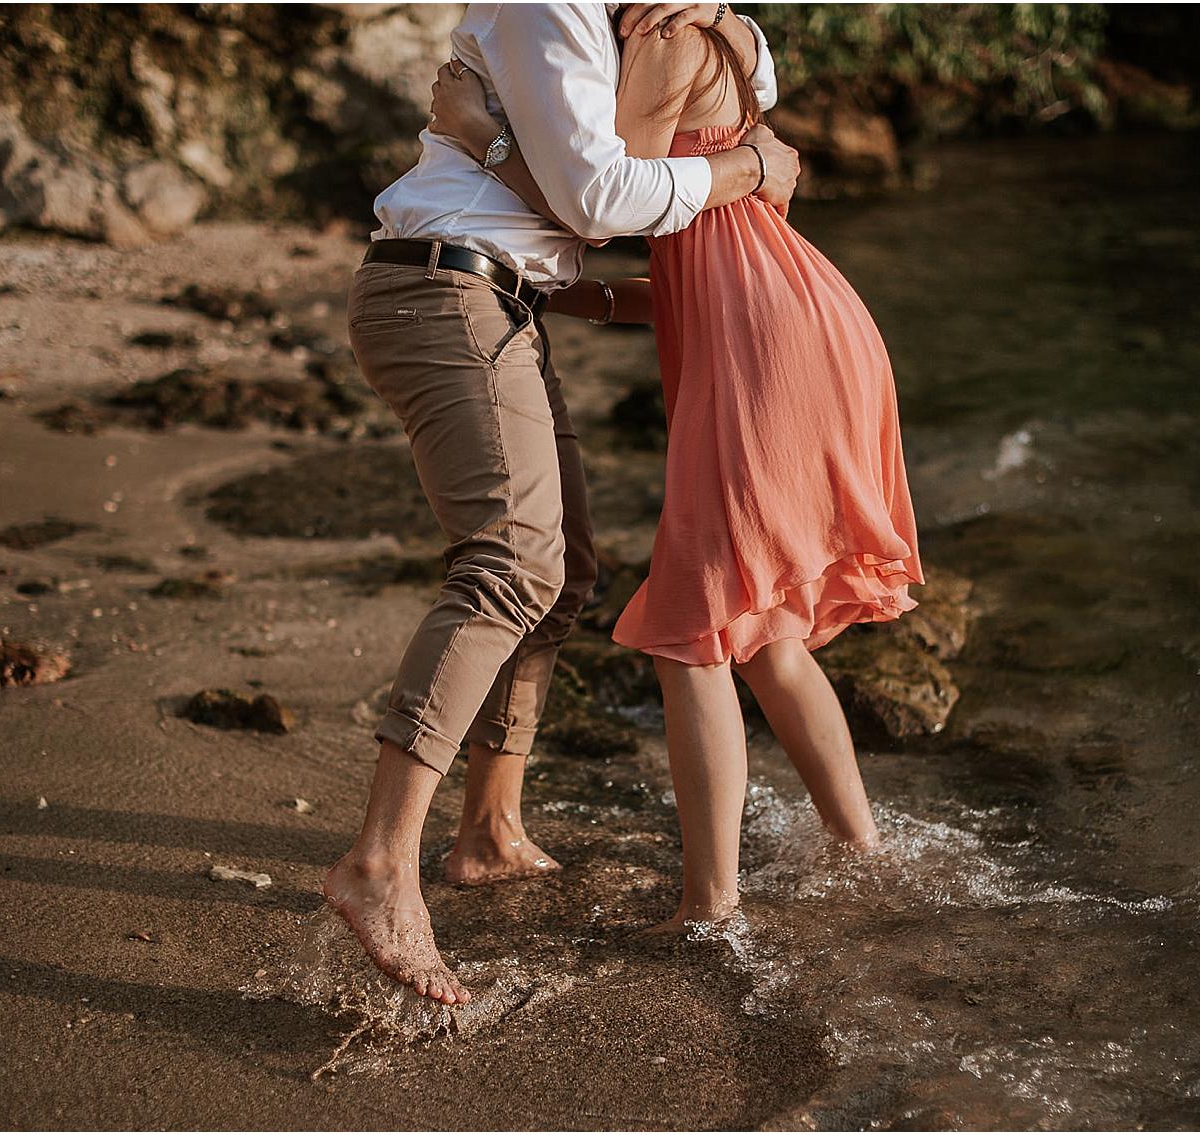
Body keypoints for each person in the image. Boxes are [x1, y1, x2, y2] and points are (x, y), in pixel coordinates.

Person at [326, 2, 802, 1006]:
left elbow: (754, 80)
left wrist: (728, 22)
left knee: (561, 572)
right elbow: (597, 196)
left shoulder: (639, 19)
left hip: (495, 297)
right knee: (512, 567)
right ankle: (377, 861)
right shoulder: (547, 3)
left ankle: (486, 832)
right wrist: (749, 172)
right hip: (443, 289)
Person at [429, 7, 924, 934]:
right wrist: (565, 295)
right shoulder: (732, 35)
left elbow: (600, 200)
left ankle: (710, 908)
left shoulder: (660, 39)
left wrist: (480, 141)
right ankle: (862, 850)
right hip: (802, 312)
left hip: (764, 340)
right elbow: (711, 242)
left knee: (688, 630)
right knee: (762, 627)